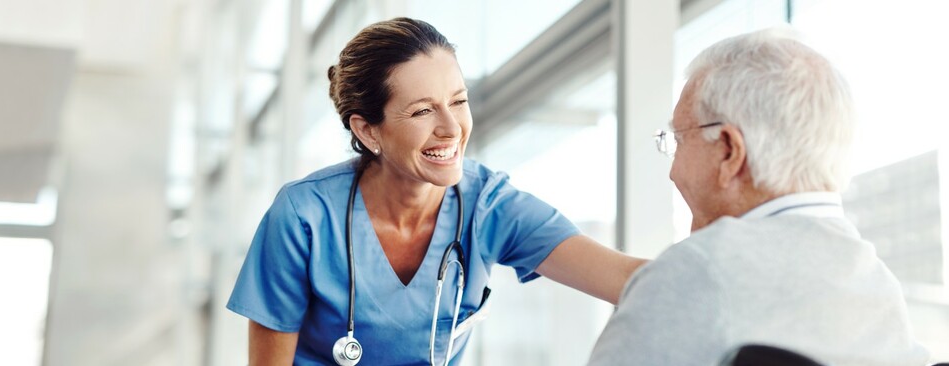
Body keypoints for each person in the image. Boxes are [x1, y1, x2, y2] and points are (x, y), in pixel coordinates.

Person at [226, 17, 646, 365]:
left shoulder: (488, 205)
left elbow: (632, 280)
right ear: (367, 129)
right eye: (423, 110)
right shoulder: (304, 215)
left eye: (458, 101)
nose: (451, 128)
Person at [587, 28, 931, 365]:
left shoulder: (699, 269)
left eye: (679, 139)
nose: (673, 170)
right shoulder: (879, 289)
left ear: (728, 151)